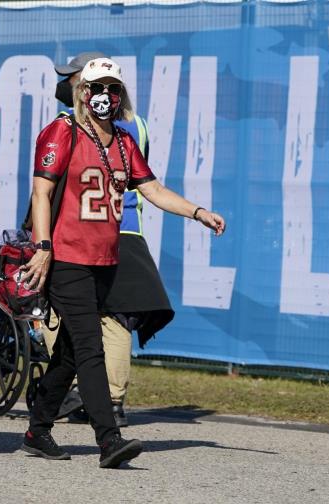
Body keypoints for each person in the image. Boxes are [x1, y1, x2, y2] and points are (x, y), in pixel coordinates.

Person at [20, 57, 225, 469]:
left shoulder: (124, 141)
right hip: (67, 257)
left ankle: (37, 429)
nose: (105, 96)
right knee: (91, 347)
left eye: (112, 89)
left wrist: (198, 212)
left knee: (72, 354)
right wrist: (42, 246)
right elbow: (41, 193)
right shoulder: (62, 132)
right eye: (96, 87)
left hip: (106, 259)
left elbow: (154, 190)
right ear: (82, 92)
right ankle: (108, 440)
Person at [46, 52, 175, 428]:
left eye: (70, 76)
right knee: (116, 319)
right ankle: (110, 399)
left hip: (86, 229)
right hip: (128, 227)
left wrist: (39, 238)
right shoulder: (139, 125)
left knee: (64, 318)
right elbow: (147, 185)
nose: (66, 83)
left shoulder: (68, 125)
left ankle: (86, 400)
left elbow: (49, 190)